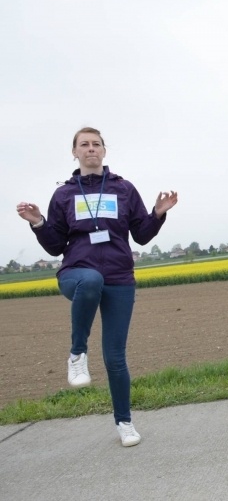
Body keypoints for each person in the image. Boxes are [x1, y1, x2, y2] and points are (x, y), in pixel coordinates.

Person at [16, 127, 178, 447]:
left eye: (96, 144)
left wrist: (158, 214)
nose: (91, 149)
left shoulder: (124, 189)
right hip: (77, 272)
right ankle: (77, 353)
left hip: (119, 276)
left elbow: (142, 234)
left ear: (104, 151)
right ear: (74, 153)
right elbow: (53, 246)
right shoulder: (64, 194)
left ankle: (125, 423)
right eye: (84, 145)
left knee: (116, 359)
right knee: (91, 279)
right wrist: (38, 223)